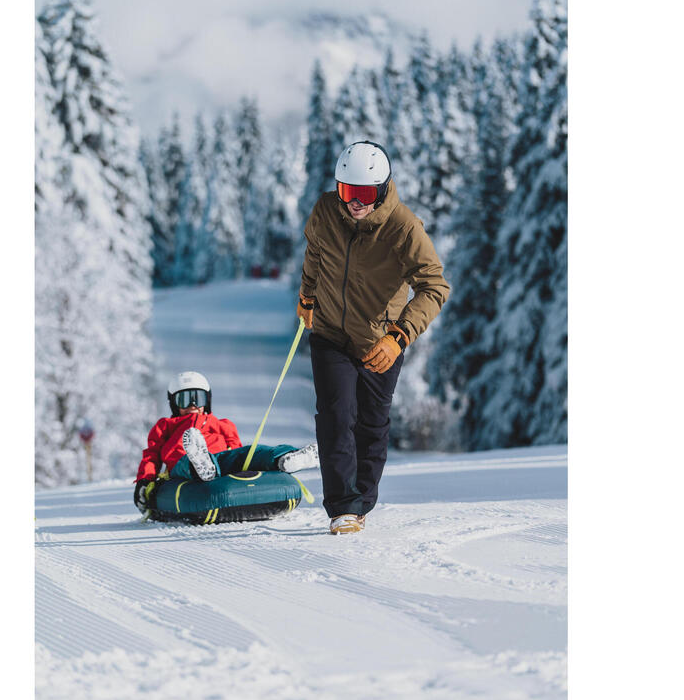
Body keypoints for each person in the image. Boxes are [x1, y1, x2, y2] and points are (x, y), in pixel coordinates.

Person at [297, 140, 450, 534]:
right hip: (330, 333)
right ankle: (343, 507)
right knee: (335, 415)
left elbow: (434, 287)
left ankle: (362, 500)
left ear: (382, 189)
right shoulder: (326, 211)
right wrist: (308, 294)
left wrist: (398, 337)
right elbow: (315, 251)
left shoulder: (403, 227)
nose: (355, 202)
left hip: (379, 342)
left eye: (365, 194)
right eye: (348, 192)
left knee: (371, 424)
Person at [134, 371, 318, 511]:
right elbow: (151, 456)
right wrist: (145, 480)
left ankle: (286, 457)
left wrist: (243, 469)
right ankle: (200, 465)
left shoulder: (222, 424)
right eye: (184, 400)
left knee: (251, 452)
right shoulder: (166, 425)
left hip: (222, 459)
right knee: (186, 462)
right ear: (174, 403)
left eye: (197, 398)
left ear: (207, 400)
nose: (192, 405)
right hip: (181, 466)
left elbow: (236, 450)